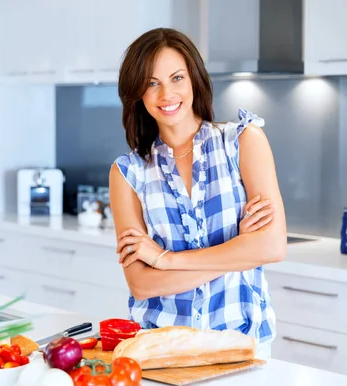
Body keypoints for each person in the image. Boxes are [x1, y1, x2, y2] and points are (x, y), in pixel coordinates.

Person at [108, 28, 287, 359]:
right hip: (160, 351)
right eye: (151, 83)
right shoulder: (127, 174)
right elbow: (142, 284)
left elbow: (273, 246)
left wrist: (165, 260)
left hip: (243, 346)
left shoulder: (243, 142)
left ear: (194, 80)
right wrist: (240, 250)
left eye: (176, 78)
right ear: (137, 93)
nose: (166, 94)